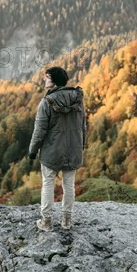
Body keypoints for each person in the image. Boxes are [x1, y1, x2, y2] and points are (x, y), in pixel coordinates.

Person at [28, 66, 87, 231]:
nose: (44, 80)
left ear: (53, 80)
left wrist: (33, 150)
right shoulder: (78, 99)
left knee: (48, 183)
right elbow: (83, 125)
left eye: (47, 77)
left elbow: (39, 131)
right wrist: (81, 146)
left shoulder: (46, 102)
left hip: (52, 150)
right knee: (69, 185)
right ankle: (66, 221)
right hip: (73, 149)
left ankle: (46, 222)